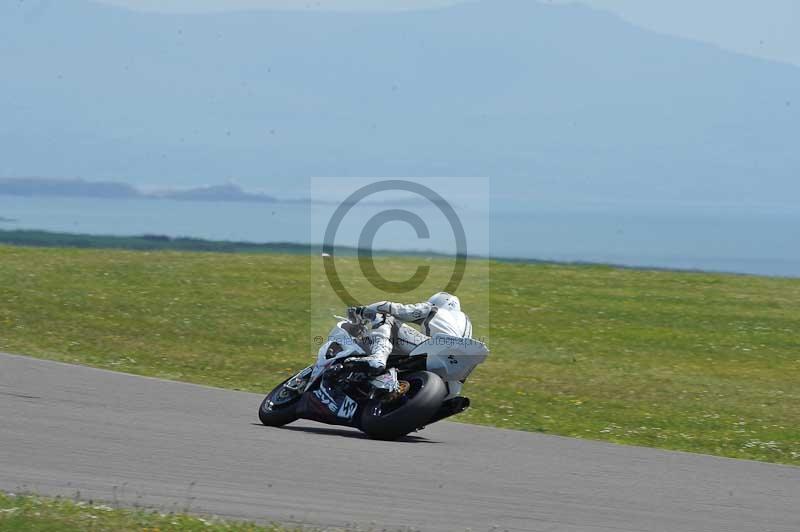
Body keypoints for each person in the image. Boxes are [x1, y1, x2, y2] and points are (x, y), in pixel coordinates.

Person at [344, 292, 472, 376]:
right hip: (459, 369)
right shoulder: (465, 323)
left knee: (386, 317)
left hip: (437, 349)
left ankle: (378, 357)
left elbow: (397, 310)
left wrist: (364, 310)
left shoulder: (434, 308)